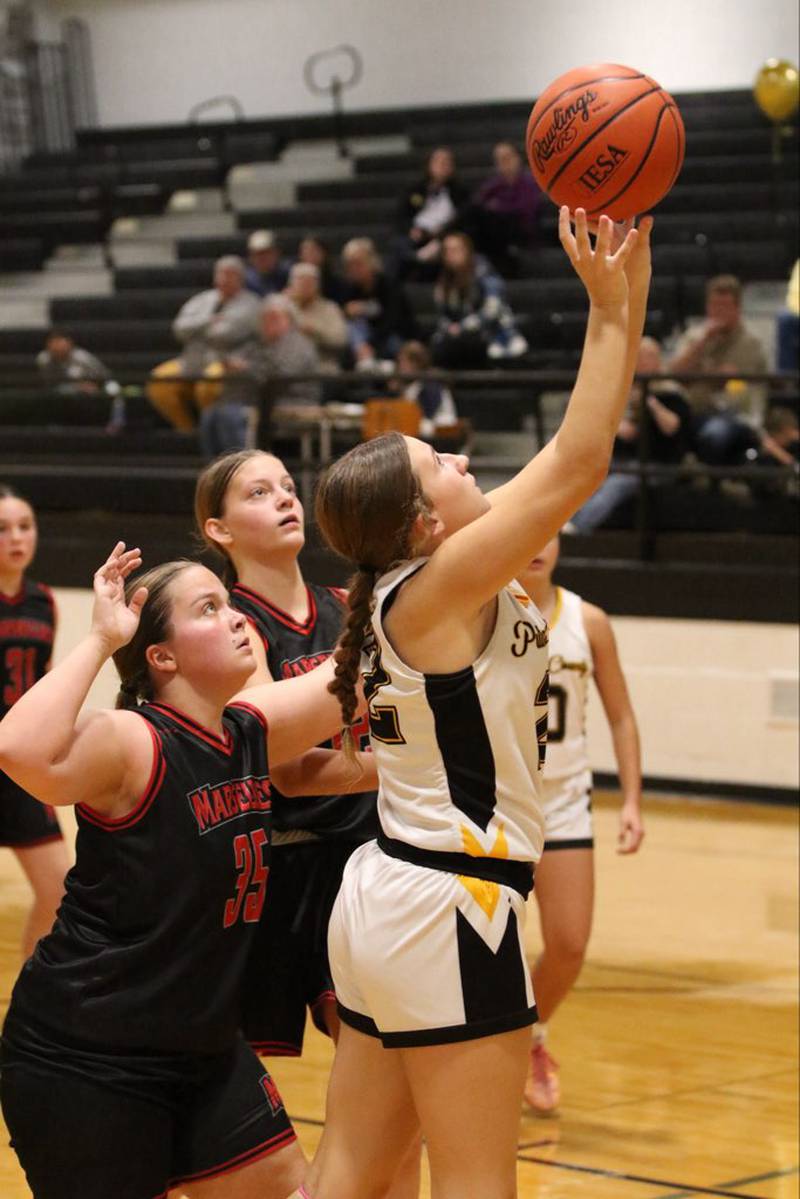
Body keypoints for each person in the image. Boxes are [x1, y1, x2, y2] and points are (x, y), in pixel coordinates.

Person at [303, 208, 653, 1199]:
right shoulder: (442, 582)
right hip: (450, 906)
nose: (462, 463)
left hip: (387, 893)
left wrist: (626, 278)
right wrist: (603, 308)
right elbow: (579, 461)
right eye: (442, 466)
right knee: (473, 1182)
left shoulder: (406, 583)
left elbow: (563, 457)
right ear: (423, 519)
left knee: (357, 1171)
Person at [0, 541, 374, 1199]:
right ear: (161, 656)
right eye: (209, 608)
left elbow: (353, 675)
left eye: (231, 604)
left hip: (203, 1049)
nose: (235, 619)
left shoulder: (249, 728)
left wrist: (414, 570)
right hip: (88, 1058)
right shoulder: (134, 741)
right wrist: (100, 638)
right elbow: (18, 748)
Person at [195, 452, 421, 1198]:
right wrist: (401, 766)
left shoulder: (343, 601)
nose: (285, 499)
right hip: (272, 869)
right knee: (222, 1082)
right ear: (218, 528)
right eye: (259, 493)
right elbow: (287, 764)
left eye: (289, 487)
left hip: (359, 860)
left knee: (394, 1081)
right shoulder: (230, 627)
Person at [516, 535, 644, 1114]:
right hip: (496, 804)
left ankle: (530, 1037)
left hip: (565, 801)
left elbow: (620, 716)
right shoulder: (481, 610)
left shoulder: (588, 621)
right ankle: (483, 1055)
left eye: (550, 534)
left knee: (568, 945)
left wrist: (633, 802)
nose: (537, 546)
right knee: (482, 949)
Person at [0, 485, 70, 961]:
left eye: (25, 526)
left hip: (19, 764)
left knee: (59, 889)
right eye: (3, 529)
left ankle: (25, 1005)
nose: (16, 538)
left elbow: (44, 682)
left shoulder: (44, 601)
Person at [566, 336, 691, 533]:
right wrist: (617, 426)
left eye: (649, 356)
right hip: (622, 458)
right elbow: (609, 424)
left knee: (617, 483)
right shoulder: (622, 390)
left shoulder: (671, 393)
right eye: (639, 356)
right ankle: (556, 523)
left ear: (659, 360)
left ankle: (576, 529)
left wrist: (649, 401)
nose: (643, 361)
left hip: (659, 463)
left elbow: (672, 427)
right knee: (583, 471)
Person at [147, 255, 260, 432]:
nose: (223, 280)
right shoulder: (202, 300)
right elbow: (179, 329)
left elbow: (225, 334)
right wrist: (208, 320)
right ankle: (186, 430)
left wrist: (196, 331)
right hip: (191, 361)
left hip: (226, 363)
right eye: (221, 274)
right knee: (159, 381)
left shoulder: (251, 303)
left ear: (240, 278)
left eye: (229, 275)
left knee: (206, 384)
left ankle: (209, 431)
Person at [198, 295, 321, 458]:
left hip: (291, 400)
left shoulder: (298, 344)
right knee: (210, 414)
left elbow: (281, 375)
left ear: (289, 320)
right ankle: (216, 471)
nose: (268, 323)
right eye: (265, 319)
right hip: (258, 400)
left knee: (231, 415)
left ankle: (242, 466)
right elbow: (242, 361)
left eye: (275, 318)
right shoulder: (259, 344)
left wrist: (246, 369)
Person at [668, 274, 768, 465]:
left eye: (725, 307)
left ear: (737, 309)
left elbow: (732, 382)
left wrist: (697, 375)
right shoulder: (695, 337)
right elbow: (672, 373)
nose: (718, 312)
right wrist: (701, 344)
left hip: (737, 416)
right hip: (692, 414)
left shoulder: (752, 343)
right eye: (714, 306)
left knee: (715, 434)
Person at [431, 231, 528, 368]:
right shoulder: (444, 281)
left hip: (492, 333)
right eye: (446, 251)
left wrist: (463, 327)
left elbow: (492, 310)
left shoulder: (483, 272)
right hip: (459, 336)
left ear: (467, 251)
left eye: (455, 250)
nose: (450, 255)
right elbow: (443, 314)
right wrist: (450, 328)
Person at [391, 146, 469, 280]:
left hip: (443, 235)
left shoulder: (460, 191)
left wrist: (440, 236)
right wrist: (411, 229)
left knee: (451, 247)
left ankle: (416, 259)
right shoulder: (416, 189)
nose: (442, 166)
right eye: (438, 162)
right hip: (418, 235)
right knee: (398, 245)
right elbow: (402, 215)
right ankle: (413, 259)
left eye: (446, 162)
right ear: (429, 165)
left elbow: (463, 218)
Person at [468, 141, 543, 273]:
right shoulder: (494, 185)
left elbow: (526, 209)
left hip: (521, 230)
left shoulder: (528, 182)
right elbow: (477, 202)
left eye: (507, 158)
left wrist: (498, 206)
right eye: (500, 160)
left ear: (517, 158)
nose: (505, 163)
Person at [341, 238, 416, 368]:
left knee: (395, 346)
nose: (354, 269)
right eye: (350, 265)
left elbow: (393, 320)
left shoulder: (389, 285)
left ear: (371, 261)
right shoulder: (351, 289)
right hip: (363, 343)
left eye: (358, 263)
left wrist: (370, 344)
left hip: (394, 335)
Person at [36, 330, 124, 431]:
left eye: (61, 347)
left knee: (115, 389)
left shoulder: (83, 358)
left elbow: (104, 376)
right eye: (54, 348)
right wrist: (78, 386)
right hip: (62, 390)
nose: (58, 350)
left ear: (70, 345)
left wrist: (95, 385)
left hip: (98, 384)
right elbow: (49, 383)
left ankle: (116, 424)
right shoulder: (44, 360)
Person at [285, 262, 348, 373]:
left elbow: (340, 340)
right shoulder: (281, 306)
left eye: (309, 282)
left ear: (317, 286)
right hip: (287, 365)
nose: (305, 286)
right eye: (301, 281)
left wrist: (314, 330)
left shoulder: (330, 308)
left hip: (321, 365)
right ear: (291, 284)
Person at [390, 340, 459, 439]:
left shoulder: (431, 384)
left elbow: (428, 413)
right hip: (422, 428)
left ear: (415, 363)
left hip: (440, 427)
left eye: (403, 362)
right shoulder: (410, 385)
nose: (400, 367)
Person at [296, 234, 347, 304]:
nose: (309, 254)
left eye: (313, 250)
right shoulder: (293, 276)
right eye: (305, 250)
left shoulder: (336, 283)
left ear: (324, 253)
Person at [245, 230, 291, 298]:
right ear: (251, 257)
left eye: (266, 253)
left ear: (276, 253)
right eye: (257, 254)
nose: (262, 258)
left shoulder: (289, 273)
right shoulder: (245, 279)